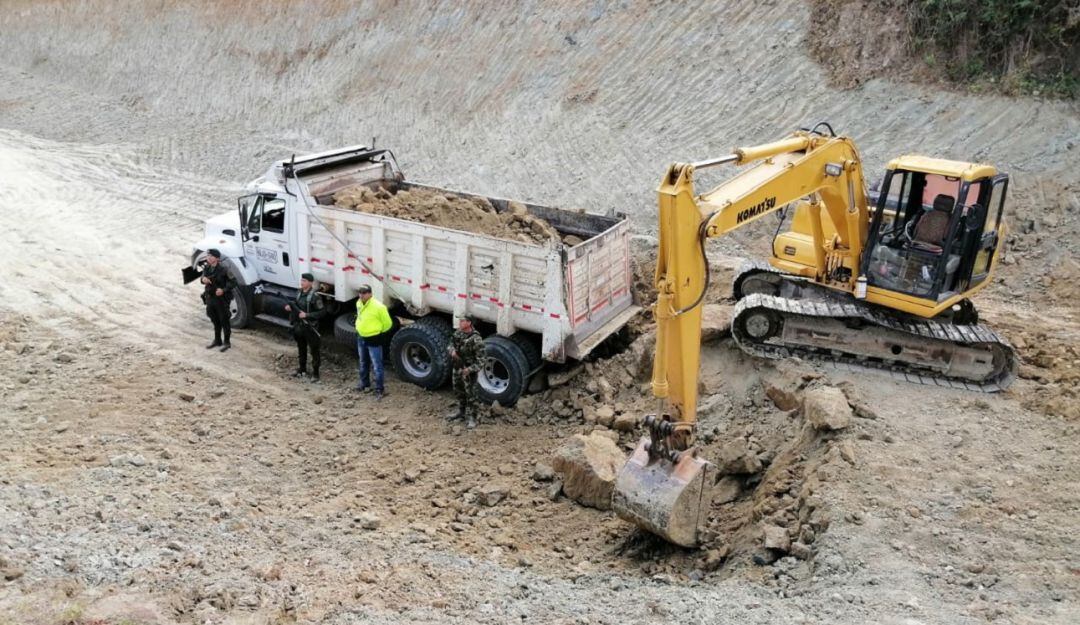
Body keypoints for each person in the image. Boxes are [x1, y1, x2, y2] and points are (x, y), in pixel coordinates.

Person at [284, 272, 326, 382]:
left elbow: (322, 312)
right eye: (301, 280)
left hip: (310, 328)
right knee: (301, 348)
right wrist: (290, 307)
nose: (302, 282)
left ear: (310, 283)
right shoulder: (299, 293)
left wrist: (307, 315)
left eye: (304, 281)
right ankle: (302, 369)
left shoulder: (315, 297)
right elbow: (296, 305)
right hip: (299, 327)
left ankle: (316, 374)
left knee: (314, 351)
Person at [354, 285, 393, 399]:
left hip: (374, 339)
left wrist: (377, 332)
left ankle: (379, 389)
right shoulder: (359, 303)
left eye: (364, 293)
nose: (361, 295)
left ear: (370, 294)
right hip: (361, 337)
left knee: (377, 365)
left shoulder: (379, 307)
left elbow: (388, 324)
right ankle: (364, 383)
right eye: (360, 293)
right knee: (363, 362)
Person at [449, 316, 485, 429]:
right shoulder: (458, 333)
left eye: (462, 321)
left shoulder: (476, 339)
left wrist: (469, 370)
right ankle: (461, 412)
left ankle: (473, 417)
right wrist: (452, 351)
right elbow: (450, 344)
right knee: (458, 390)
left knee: (471, 395)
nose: (459, 322)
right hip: (457, 368)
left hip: (469, 371)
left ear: (469, 323)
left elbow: (482, 360)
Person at [200, 249, 235, 352]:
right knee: (214, 319)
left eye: (211, 256)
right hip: (210, 298)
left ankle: (227, 342)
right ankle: (217, 340)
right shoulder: (207, 267)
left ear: (217, 258)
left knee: (224, 320)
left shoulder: (224, 269)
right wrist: (203, 279)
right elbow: (202, 276)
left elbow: (233, 282)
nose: (208, 258)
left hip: (221, 299)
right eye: (208, 256)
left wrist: (223, 290)